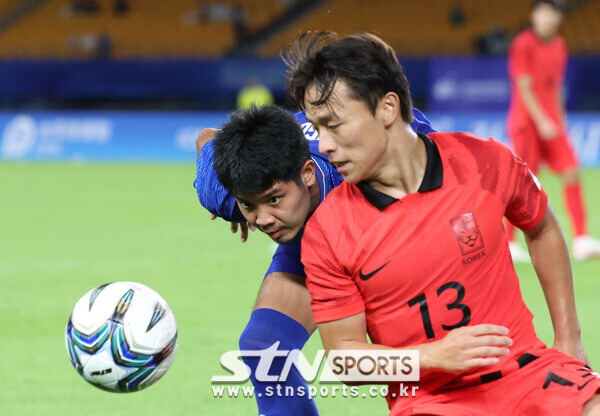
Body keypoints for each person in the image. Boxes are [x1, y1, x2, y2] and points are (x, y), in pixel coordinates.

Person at [284, 31, 600, 415]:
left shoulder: (485, 162)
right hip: (431, 401)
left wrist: (569, 338)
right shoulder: (328, 231)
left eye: (333, 125)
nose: (325, 144)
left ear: (387, 108)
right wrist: (432, 357)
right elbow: (344, 359)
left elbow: (542, 227)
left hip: (529, 373)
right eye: (317, 129)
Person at [194, 105, 435, 415]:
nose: (264, 219)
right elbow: (207, 138)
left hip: (397, 244)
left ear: (307, 175)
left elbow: (424, 139)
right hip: (315, 244)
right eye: (249, 205)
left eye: (274, 199)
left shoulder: (364, 163)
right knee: (265, 347)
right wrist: (240, 203)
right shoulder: (223, 193)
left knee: (418, 359)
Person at [506, 0, 600, 262]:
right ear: (534, 16)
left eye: (552, 14)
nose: (547, 19)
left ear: (558, 18)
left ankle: (581, 239)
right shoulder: (522, 44)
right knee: (522, 183)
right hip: (527, 124)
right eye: (542, 13)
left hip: (552, 123)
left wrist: (559, 120)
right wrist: (542, 120)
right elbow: (524, 87)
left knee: (572, 171)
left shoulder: (559, 45)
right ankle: (510, 243)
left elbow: (556, 86)